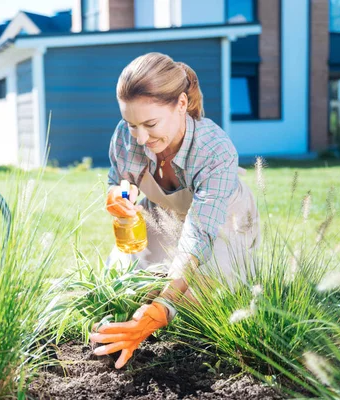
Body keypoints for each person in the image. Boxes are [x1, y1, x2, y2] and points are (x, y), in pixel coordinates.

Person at [90, 52, 261, 369]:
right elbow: (121, 181)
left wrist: (164, 304)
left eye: (150, 124)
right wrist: (117, 195)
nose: (140, 138)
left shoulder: (214, 149)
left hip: (224, 218)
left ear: (181, 104)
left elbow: (199, 233)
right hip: (164, 211)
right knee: (126, 288)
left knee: (202, 302)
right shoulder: (127, 138)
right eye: (132, 125)